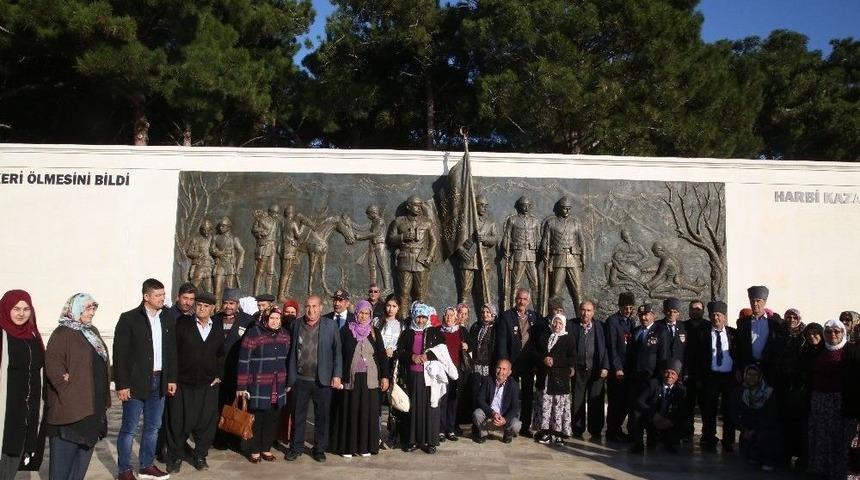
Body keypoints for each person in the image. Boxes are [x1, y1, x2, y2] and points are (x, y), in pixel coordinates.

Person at [113, 279, 177, 480]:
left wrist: (171, 378)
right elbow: (120, 354)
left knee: (153, 427)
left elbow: (171, 351)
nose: (162, 298)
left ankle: (146, 466)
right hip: (135, 382)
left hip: (160, 381)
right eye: (158, 295)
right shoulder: (129, 319)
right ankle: (124, 470)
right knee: (129, 429)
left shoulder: (167, 317)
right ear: (146, 296)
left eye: (163, 294)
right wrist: (121, 384)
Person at [45, 293, 110, 480]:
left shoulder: (92, 332)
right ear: (75, 308)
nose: (92, 313)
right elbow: (54, 369)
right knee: (62, 468)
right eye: (88, 308)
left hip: (92, 408)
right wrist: (68, 389)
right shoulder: (62, 333)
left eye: (93, 309)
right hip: (70, 412)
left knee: (80, 466)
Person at [166, 292, 224, 472]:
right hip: (184, 384)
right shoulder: (182, 324)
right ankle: (175, 457)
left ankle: (200, 456)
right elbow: (172, 353)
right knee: (179, 422)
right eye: (199, 305)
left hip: (207, 385)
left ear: (212, 308)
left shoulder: (217, 327)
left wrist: (218, 374)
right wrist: (172, 379)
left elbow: (221, 354)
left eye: (206, 306)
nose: (202, 308)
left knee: (205, 423)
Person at [286, 295, 342, 463]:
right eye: (308, 306)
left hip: (322, 380)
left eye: (314, 306)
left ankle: (319, 449)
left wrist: (337, 375)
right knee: (298, 415)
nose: (311, 310)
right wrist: (290, 378)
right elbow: (290, 353)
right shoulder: (296, 325)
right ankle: (296, 447)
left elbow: (337, 352)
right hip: (300, 379)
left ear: (321, 307)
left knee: (322, 416)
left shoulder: (330, 326)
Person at [330, 300, 390, 457]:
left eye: (366, 314)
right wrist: (337, 375)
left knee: (367, 413)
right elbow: (338, 354)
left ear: (370, 315)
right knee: (350, 411)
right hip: (350, 379)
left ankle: (365, 447)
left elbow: (382, 356)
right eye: (361, 313)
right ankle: (348, 447)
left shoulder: (374, 332)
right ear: (356, 313)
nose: (363, 316)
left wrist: (385, 376)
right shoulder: (346, 331)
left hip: (370, 380)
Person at [0, 290, 45, 478]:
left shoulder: (32, 335)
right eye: (16, 308)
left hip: (27, 410)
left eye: (26, 309)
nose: (21, 313)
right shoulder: (2, 334)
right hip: (6, 407)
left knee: (14, 455)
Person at [236, 307, 290, 463]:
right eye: (272, 318)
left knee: (272, 418)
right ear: (266, 319)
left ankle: (266, 448)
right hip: (258, 385)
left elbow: (286, 358)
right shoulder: (254, 333)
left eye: (277, 319)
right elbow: (244, 360)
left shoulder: (285, 336)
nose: (275, 321)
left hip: (277, 384)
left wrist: (287, 381)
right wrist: (241, 386)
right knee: (257, 419)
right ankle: (254, 450)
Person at [395, 302, 444, 453]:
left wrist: (426, 356)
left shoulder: (435, 333)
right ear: (414, 317)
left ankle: (430, 442)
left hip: (430, 377)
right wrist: (412, 356)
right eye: (418, 317)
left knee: (430, 407)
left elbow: (442, 350)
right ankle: (412, 440)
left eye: (424, 317)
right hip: (413, 375)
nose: (421, 321)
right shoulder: (407, 333)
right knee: (413, 407)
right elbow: (399, 352)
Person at [808, 318, 851, 480]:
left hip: (838, 400)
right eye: (828, 331)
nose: (832, 334)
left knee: (836, 437)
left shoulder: (848, 350)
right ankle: (820, 469)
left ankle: (836, 472)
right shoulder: (820, 350)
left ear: (843, 333)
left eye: (836, 331)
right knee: (819, 435)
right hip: (819, 399)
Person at [212, 288, 254, 450]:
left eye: (232, 303)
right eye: (225, 303)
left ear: (237, 304)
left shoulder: (247, 321)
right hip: (218, 373)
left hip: (238, 372)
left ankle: (235, 439)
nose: (228, 306)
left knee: (236, 407)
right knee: (219, 406)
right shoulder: (215, 319)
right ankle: (219, 437)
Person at [497, 288, 540, 436]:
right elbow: (502, 341)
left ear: (529, 301)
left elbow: (538, 341)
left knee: (528, 395)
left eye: (525, 299)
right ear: (515, 299)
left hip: (528, 363)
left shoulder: (535, 317)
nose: (522, 301)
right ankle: (510, 425)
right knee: (511, 395)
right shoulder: (506, 316)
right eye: (519, 299)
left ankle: (525, 426)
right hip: (512, 363)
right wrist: (504, 364)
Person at [697, 300, 738, 453]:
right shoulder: (703, 334)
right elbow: (698, 358)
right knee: (709, 409)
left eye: (719, 315)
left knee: (729, 410)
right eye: (713, 315)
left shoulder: (733, 333)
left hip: (728, 377)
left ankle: (728, 440)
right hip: (711, 376)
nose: (716, 318)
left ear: (725, 317)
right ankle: (709, 437)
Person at [628, 359, 687, 454]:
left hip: (667, 421)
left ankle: (669, 443)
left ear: (677, 376)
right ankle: (638, 444)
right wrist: (653, 415)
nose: (669, 376)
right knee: (636, 414)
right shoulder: (653, 384)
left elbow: (682, 410)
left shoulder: (680, 390)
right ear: (662, 373)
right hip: (651, 418)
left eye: (673, 373)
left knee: (684, 422)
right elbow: (638, 401)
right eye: (667, 372)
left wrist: (670, 421)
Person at [533, 314, 575, 445]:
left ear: (564, 325)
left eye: (560, 323)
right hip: (545, 378)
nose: (557, 326)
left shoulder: (568, 339)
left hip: (560, 379)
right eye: (555, 323)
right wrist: (543, 359)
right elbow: (536, 352)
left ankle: (558, 434)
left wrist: (555, 361)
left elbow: (572, 358)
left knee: (558, 407)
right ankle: (545, 432)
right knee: (545, 405)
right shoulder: (545, 337)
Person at [569, 300, 609, 441]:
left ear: (593, 312)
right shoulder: (571, 325)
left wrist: (605, 366)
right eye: (583, 310)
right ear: (579, 310)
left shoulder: (601, 327)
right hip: (578, 370)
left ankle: (596, 429)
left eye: (588, 310)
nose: (585, 313)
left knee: (596, 401)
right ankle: (577, 429)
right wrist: (570, 366)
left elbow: (606, 348)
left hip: (596, 370)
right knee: (577, 401)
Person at [734, 364, 780, 471]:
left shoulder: (768, 393)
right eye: (749, 374)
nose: (752, 377)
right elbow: (736, 413)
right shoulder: (740, 393)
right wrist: (744, 429)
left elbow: (771, 416)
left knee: (764, 437)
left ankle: (768, 459)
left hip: (765, 428)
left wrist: (755, 429)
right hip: (748, 427)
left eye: (755, 375)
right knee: (746, 447)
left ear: (760, 377)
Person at [736, 286, 786, 384]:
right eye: (752, 301)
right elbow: (739, 347)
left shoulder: (774, 323)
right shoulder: (743, 323)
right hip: (749, 367)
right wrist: (738, 368)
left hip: (769, 367)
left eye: (758, 301)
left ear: (765, 301)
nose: (755, 304)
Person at [605, 291, 637, 442]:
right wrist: (617, 367)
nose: (628, 310)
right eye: (626, 307)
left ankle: (618, 429)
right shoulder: (612, 321)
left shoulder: (631, 322)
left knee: (625, 402)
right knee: (615, 402)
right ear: (620, 306)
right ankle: (612, 431)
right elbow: (612, 347)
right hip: (617, 370)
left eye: (631, 307)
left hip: (629, 369)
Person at [779, 308, 808, 467]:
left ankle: (800, 455)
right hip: (781, 382)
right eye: (788, 316)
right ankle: (784, 452)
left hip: (798, 385)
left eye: (794, 316)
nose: (791, 319)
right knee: (783, 420)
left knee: (798, 421)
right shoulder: (779, 333)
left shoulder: (804, 334)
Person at [374, 294, 403, 447]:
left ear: (398, 308)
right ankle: (376, 434)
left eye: (394, 306)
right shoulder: (377, 322)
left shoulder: (402, 325)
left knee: (393, 402)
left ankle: (392, 435)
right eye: (388, 305)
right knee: (376, 401)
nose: (390, 309)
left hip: (393, 365)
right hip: (378, 364)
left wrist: (394, 351)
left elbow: (403, 346)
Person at [473, 359, 521, 444]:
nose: (500, 371)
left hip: (504, 418)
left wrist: (505, 419)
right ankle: (483, 433)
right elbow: (480, 399)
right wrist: (492, 413)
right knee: (477, 413)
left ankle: (507, 434)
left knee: (517, 425)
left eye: (504, 369)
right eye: (499, 368)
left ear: (509, 372)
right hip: (489, 415)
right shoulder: (488, 380)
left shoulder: (513, 385)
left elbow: (515, 407)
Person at [439, 306, 469, 441]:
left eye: (452, 315)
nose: (449, 317)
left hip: (456, 370)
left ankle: (450, 429)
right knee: (442, 399)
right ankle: (440, 429)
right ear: (444, 317)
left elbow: (471, 345)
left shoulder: (462, 331)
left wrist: (467, 346)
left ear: (456, 318)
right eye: (447, 315)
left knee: (452, 399)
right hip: (442, 370)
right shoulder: (438, 331)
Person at [682, 299, 710, 440]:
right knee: (687, 405)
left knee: (706, 406)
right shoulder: (683, 326)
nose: (695, 311)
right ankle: (687, 433)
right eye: (693, 308)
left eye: (698, 309)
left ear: (703, 311)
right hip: (688, 372)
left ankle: (707, 435)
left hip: (705, 373)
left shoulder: (708, 326)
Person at [468, 303, 502, 409]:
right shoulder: (476, 326)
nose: (485, 314)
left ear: (493, 314)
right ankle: (474, 416)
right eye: (483, 312)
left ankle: (487, 415)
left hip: (489, 364)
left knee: (487, 390)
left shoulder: (497, 328)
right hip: (476, 363)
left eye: (488, 312)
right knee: (474, 390)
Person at [656, 297, 686, 368]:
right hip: (662, 366)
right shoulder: (656, 326)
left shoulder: (684, 327)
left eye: (675, 312)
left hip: (678, 367)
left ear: (678, 313)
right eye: (669, 311)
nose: (671, 314)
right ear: (664, 312)